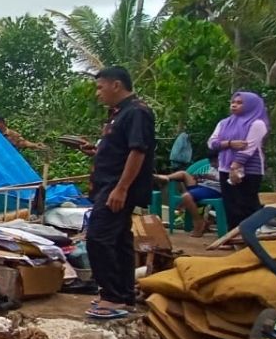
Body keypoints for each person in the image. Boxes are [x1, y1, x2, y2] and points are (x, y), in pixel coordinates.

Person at [82, 66, 155, 320]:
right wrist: (98, 151)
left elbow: (138, 151)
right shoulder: (120, 114)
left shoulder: (137, 112)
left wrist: (121, 188)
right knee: (121, 241)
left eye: (100, 87)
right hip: (108, 185)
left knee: (98, 238)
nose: (97, 93)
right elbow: (122, 149)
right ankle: (124, 296)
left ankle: (111, 296)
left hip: (117, 189)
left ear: (116, 85)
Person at [207, 91, 270, 228]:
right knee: (231, 206)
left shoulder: (257, 124)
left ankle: (250, 237)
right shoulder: (224, 123)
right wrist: (229, 143)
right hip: (225, 168)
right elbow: (211, 143)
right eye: (233, 102)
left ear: (251, 105)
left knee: (246, 205)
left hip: (250, 171)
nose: (234, 105)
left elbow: (248, 148)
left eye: (239, 103)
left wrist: (235, 167)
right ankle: (233, 238)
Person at [155, 152, 222, 238]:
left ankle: (198, 222)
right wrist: (201, 178)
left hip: (214, 190)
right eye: (211, 162)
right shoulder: (213, 167)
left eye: (215, 162)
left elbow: (226, 182)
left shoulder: (226, 168)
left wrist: (209, 177)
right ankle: (165, 178)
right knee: (183, 174)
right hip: (203, 186)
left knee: (186, 196)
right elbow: (208, 178)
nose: (212, 164)